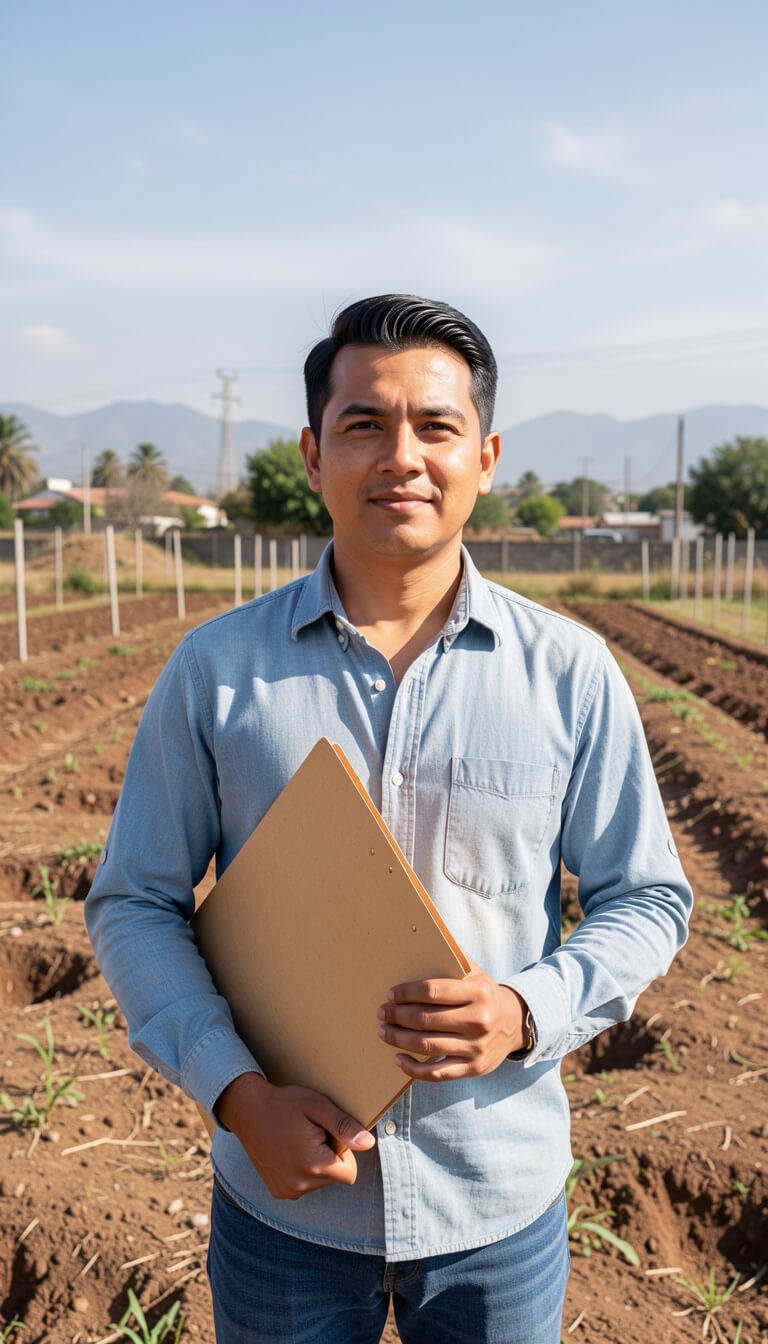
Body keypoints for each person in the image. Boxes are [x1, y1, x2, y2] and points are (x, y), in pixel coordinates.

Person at [85, 294, 692, 1344]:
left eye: (435, 426)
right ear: (314, 454)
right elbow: (135, 901)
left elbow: (646, 897)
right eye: (364, 424)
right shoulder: (217, 671)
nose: (401, 456)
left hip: (497, 1203)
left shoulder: (571, 673)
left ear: (485, 458)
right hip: (283, 1210)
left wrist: (527, 1009)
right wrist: (238, 1097)